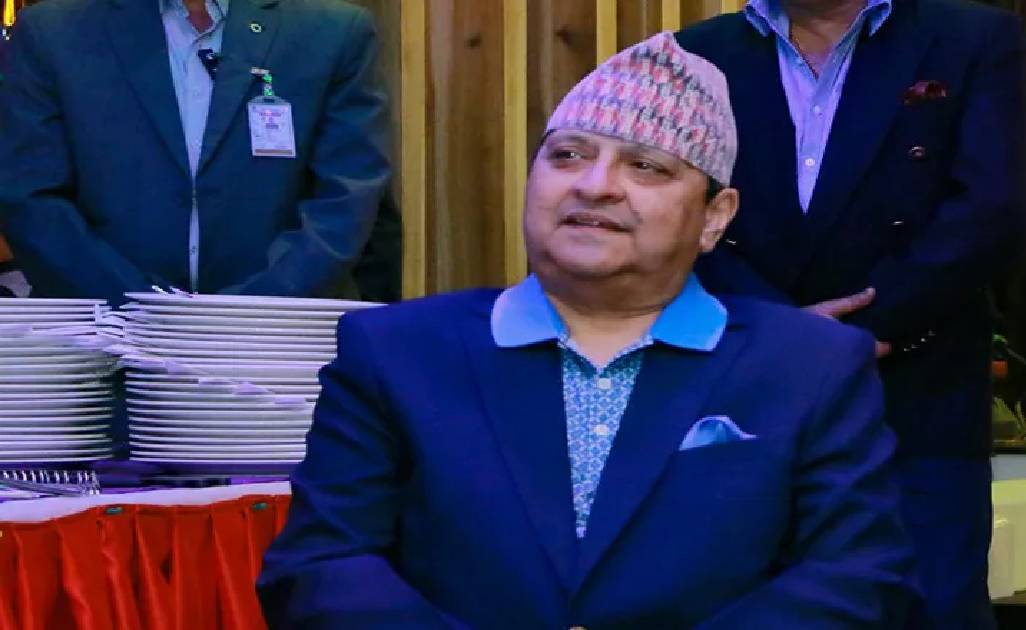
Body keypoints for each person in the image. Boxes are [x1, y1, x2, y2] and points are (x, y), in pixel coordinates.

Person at [258, 32, 912, 628]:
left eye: (646, 166)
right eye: (568, 155)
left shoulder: (809, 366)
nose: (595, 186)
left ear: (715, 216)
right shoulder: (395, 351)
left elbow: (858, 577)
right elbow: (323, 565)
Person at [675, 1, 1026, 627]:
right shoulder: (698, 52)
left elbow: (991, 212)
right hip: (750, 390)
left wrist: (869, 327)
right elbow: (677, 212)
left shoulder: (971, 37)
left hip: (918, 392)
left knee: (930, 606)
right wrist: (784, 333)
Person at [0, 0, 392, 305]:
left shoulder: (333, 32)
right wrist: (144, 309)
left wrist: (248, 310)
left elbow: (348, 196)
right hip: (102, 344)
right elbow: (30, 197)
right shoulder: (53, 34)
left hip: (277, 346)